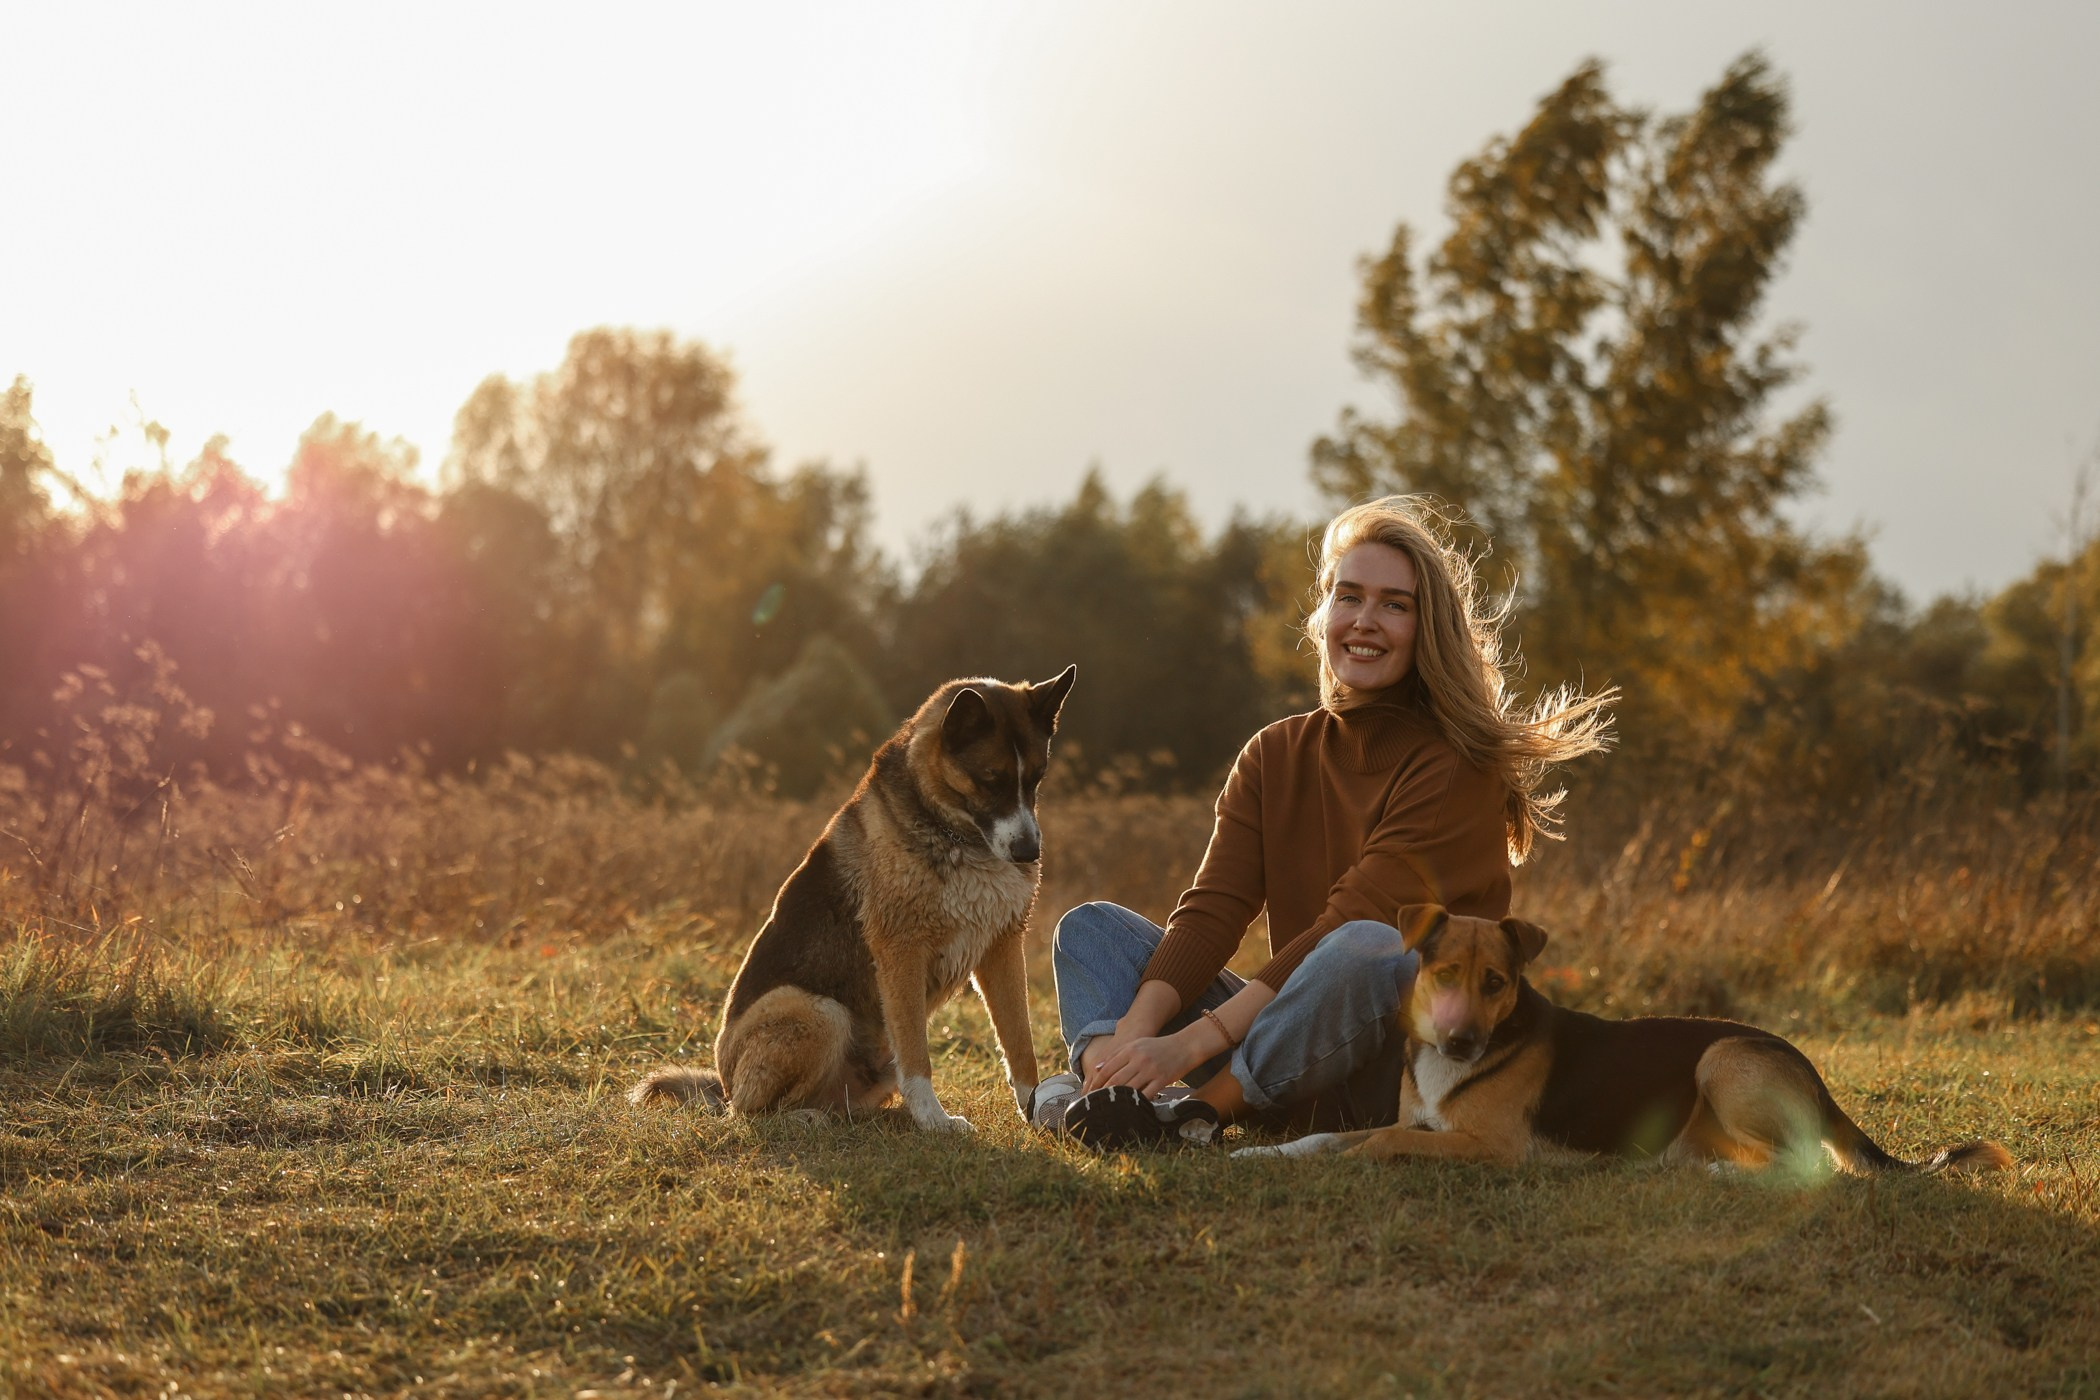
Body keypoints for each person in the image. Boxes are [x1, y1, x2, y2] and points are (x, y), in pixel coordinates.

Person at [1030, 495, 1614, 1148]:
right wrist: (1136, 1039)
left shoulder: (1456, 767)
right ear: (1324, 613)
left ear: (1429, 629)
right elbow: (1212, 911)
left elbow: (1348, 924)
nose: (1366, 621)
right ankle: (1106, 1094)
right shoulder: (1275, 753)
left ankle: (1195, 1113)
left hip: (1392, 1066)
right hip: (1283, 1041)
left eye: (1395, 604)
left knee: (1363, 945)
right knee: (1091, 930)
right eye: (1349, 596)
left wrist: (1192, 1042)